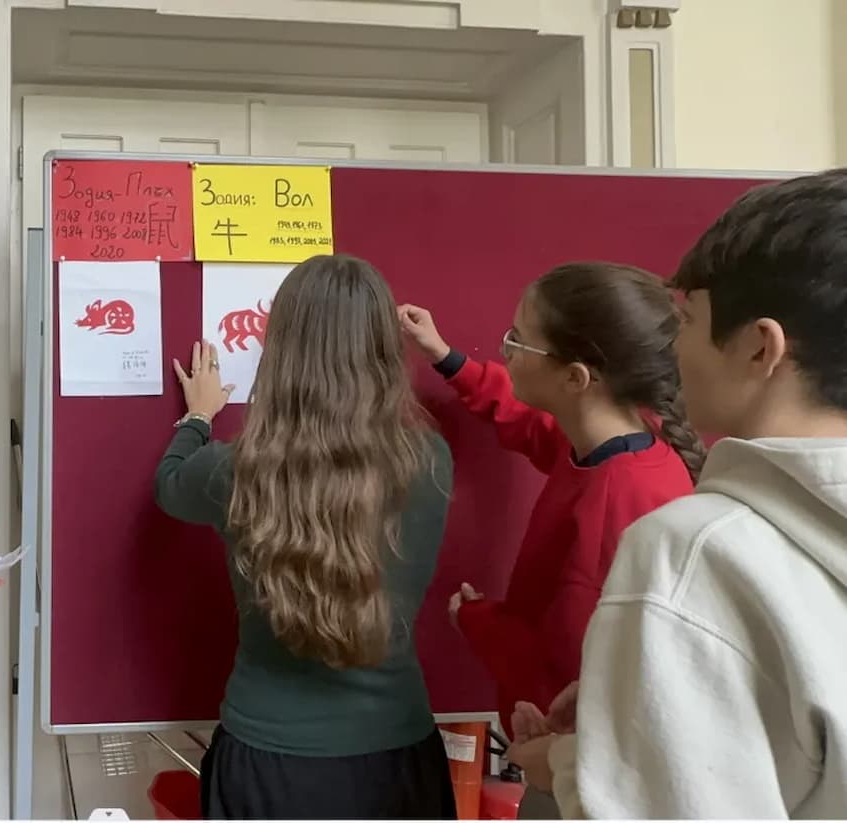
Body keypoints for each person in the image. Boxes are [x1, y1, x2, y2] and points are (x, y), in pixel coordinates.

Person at [514, 169, 847, 817]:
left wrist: (565, 764)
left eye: (687, 320)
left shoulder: (690, 552)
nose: (673, 349)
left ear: (760, 348)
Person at [154, 254, 456, 819]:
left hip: (268, 762)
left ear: (281, 347)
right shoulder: (430, 460)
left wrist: (197, 418)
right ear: (383, 350)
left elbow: (169, 484)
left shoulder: (236, 470)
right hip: (396, 758)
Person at [398, 262, 703, 815]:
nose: (507, 348)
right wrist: (448, 359)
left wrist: (476, 620)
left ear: (576, 378)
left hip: (580, 764)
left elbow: (562, 670)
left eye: (519, 341)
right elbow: (535, 427)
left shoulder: (617, 504)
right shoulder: (619, 440)